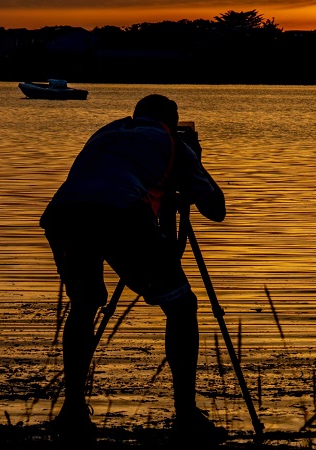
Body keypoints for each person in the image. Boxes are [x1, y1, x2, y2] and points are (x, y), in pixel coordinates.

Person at [40, 94, 228, 444]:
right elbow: (215, 208)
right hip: (120, 214)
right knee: (182, 306)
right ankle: (185, 413)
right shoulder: (172, 143)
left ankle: (73, 410)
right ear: (171, 123)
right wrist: (193, 163)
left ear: (134, 115)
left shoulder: (106, 132)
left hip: (64, 215)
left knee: (84, 303)